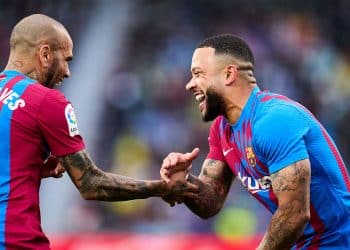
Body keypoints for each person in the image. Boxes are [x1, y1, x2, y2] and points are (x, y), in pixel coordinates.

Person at [0, 14, 198, 250]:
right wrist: (162, 188)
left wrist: (33, 170)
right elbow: (92, 184)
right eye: (66, 59)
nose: (67, 72)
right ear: (44, 54)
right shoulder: (46, 101)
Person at [160, 34, 350, 249]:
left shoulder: (273, 120)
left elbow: (294, 214)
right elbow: (210, 203)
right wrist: (183, 182)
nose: (189, 85)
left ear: (229, 74)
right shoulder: (222, 130)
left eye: (198, 74)